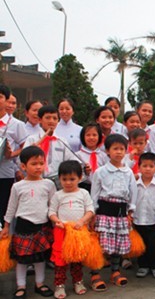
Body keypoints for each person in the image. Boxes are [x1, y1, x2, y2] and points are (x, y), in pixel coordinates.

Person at [1, 146, 56, 299]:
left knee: (40, 258)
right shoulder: (17, 186)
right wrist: (6, 226)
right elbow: (11, 208)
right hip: (24, 226)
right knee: (22, 260)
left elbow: (53, 205)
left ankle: (40, 283)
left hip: (43, 226)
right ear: (23, 166)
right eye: (34, 164)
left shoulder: (49, 184)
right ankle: (21, 286)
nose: (38, 167)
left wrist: (55, 221)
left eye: (41, 163)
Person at [90, 134, 137, 291]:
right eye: (115, 148)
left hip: (121, 213)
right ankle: (95, 274)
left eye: (122, 149)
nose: (119, 152)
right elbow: (94, 194)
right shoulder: (100, 172)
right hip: (103, 212)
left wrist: (130, 212)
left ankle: (115, 272)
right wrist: (93, 214)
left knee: (117, 244)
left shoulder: (128, 172)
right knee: (100, 245)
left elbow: (133, 193)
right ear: (107, 151)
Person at [48, 161, 94, 298]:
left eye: (72, 179)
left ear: (80, 178)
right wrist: (57, 221)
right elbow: (51, 212)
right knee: (60, 261)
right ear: (59, 179)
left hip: (79, 231)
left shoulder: (84, 193)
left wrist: (82, 221)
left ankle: (78, 282)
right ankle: (59, 285)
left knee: (76, 260)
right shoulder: (58, 195)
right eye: (64, 179)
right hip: (62, 231)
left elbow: (90, 210)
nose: (68, 182)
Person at [133, 153, 155, 279]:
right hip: (138, 220)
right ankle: (143, 266)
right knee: (141, 245)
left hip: (152, 222)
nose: (147, 169)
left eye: (151, 166)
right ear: (139, 167)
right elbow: (132, 202)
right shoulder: (135, 185)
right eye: (144, 166)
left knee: (154, 245)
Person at [0, 85, 27, 226]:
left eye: (0, 97)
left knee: (3, 212)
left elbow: (25, 145)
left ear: (6, 100)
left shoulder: (17, 124)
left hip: (5, 174)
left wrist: (12, 154)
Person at [76, 123, 108, 192]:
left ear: (99, 137)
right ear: (83, 137)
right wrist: (85, 172)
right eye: (88, 135)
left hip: (101, 188)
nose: (91, 137)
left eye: (94, 135)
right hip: (84, 187)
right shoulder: (78, 155)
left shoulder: (103, 155)